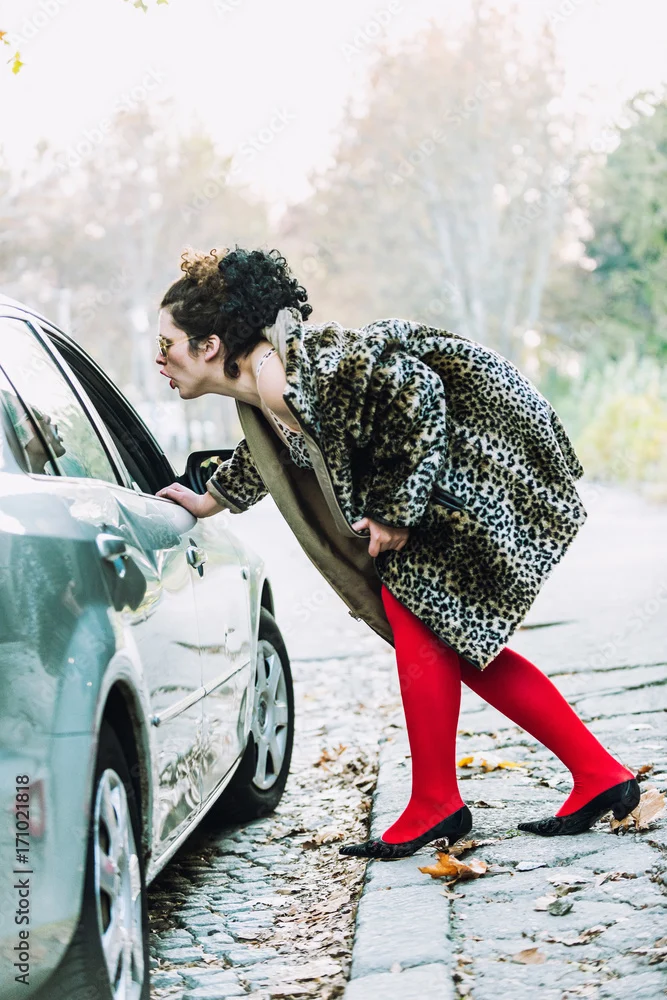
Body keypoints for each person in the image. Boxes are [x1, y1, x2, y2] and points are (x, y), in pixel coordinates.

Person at [155, 245, 639, 859]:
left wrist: (393, 511)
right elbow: (273, 457)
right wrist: (207, 500)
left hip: (463, 472)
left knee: (425, 629)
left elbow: (418, 394)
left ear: (209, 346)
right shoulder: (266, 388)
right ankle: (596, 775)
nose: (159, 363)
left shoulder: (294, 374)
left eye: (165, 346)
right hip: (439, 481)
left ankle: (439, 802)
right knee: (453, 645)